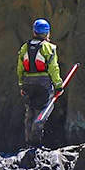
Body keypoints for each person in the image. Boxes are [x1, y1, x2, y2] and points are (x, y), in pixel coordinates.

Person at [17, 18, 63, 147]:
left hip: (27, 83)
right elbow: (54, 68)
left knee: (30, 111)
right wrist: (58, 85)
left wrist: (21, 84)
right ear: (47, 33)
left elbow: (20, 68)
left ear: (34, 32)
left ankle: (28, 143)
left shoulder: (24, 47)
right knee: (43, 110)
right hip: (43, 83)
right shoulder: (49, 48)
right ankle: (35, 143)